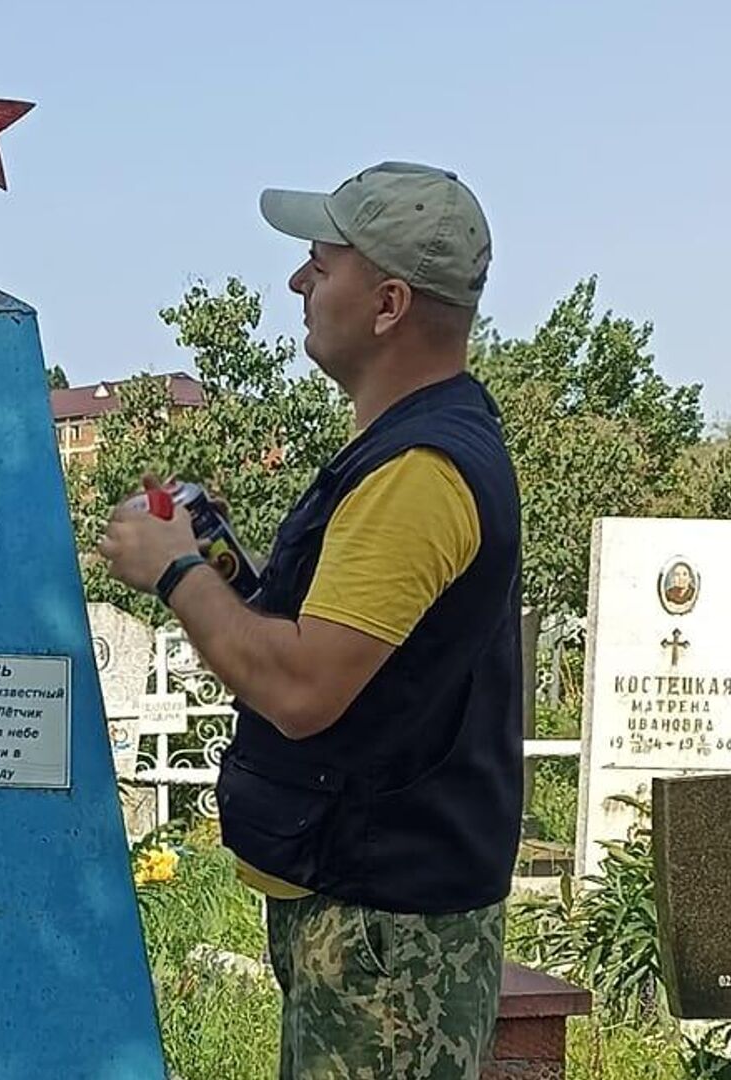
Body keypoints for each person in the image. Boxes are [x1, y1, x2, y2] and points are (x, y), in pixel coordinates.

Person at [99, 162, 522, 1079]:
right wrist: (221, 563)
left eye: (321, 264)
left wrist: (173, 569)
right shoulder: (405, 453)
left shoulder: (418, 474)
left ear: (388, 303)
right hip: (372, 914)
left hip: (384, 933)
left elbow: (302, 687)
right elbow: (336, 651)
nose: (298, 282)